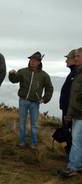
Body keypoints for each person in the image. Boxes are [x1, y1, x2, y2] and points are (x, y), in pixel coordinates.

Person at [9, 51, 53, 149]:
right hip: (23, 101)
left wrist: (45, 98)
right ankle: (22, 142)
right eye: (31, 60)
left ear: (39, 62)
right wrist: (11, 74)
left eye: (35, 60)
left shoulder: (44, 75)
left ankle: (34, 143)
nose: (32, 62)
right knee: (22, 123)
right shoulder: (22, 71)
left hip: (35, 102)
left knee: (34, 125)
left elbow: (49, 88)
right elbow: (14, 80)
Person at [60, 47, 82, 178]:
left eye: (78, 56)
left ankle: (72, 167)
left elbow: (74, 98)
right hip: (76, 113)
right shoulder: (77, 73)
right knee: (78, 140)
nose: (76, 58)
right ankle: (78, 164)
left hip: (78, 114)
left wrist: (69, 113)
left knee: (76, 141)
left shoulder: (77, 74)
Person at [59, 49, 77, 156]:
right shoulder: (73, 73)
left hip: (70, 111)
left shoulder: (76, 74)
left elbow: (73, 95)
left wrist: (68, 112)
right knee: (69, 133)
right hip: (68, 109)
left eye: (68, 59)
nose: (66, 61)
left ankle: (72, 157)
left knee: (70, 133)